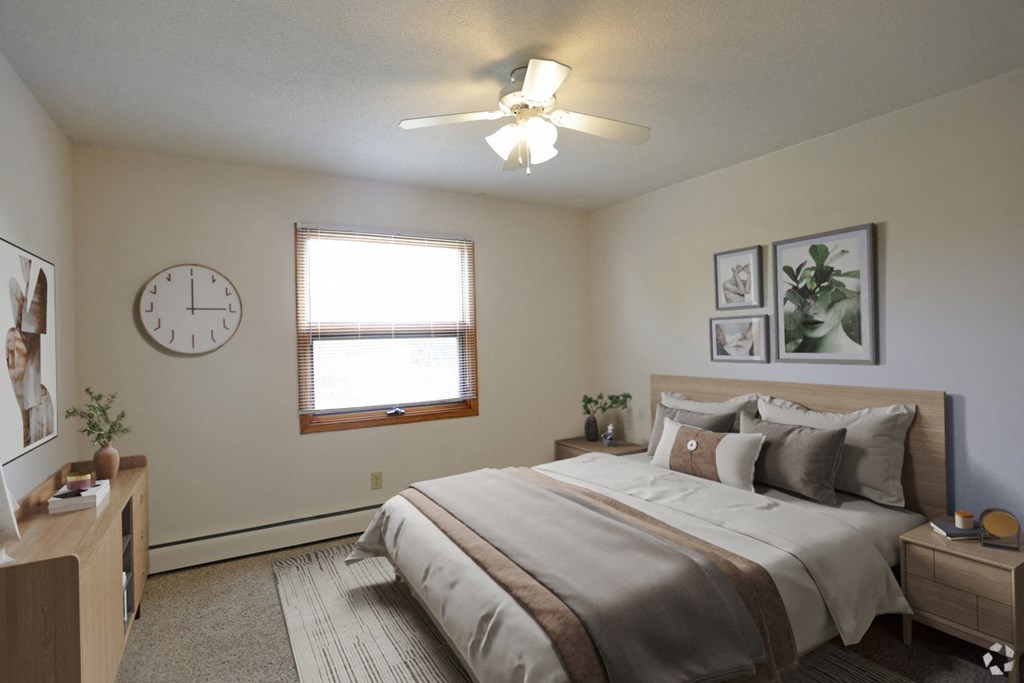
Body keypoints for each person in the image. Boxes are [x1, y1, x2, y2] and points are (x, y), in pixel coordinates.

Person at [789, 296, 861, 353]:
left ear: (848, 303)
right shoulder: (789, 348)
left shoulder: (857, 356)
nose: (809, 311)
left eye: (824, 299)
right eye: (802, 298)